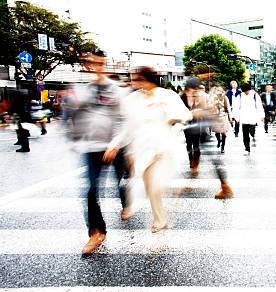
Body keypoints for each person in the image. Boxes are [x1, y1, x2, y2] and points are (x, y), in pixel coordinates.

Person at [106, 66, 192, 234]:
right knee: (150, 188)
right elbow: (125, 125)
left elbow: (185, 115)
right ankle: (160, 220)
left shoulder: (167, 95)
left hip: (163, 147)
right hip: (142, 150)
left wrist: (172, 118)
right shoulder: (132, 100)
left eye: (137, 79)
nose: (134, 82)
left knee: (157, 185)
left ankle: (166, 199)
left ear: (148, 80)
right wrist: (115, 144)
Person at [67, 50, 132, 255]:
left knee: (121, 179)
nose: (94, 67)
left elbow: (123, 120)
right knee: (92, 190)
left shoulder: (115, 90)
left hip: (114, 147)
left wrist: (114, 144)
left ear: (104, 64)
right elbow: (75, 118)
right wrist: (76, 138)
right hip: (92, 147)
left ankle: (126, 204)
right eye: (90, 64)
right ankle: (97, 232)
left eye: (99, 63)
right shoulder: (83, 91)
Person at [180, 77, 211, 177]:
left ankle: (195, 165)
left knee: (196, 145)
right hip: (186, 124)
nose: (193, 91)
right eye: (191, 89)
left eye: (195, 89)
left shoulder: (200, 97)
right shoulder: (182, 97)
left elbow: (205, 109)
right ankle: (191, 161)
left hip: (197, 123)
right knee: (189, 144)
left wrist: (199, 111)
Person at [234, 83, 264, 155]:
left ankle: (252, 133)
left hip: (253, 116)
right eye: (244, 91)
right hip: (244, 117)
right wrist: (236, 117)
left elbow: (259, 106)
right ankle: (247, 149)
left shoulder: (255, 95)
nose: (246, 92)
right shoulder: (240, 96)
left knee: (252, 130)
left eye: (247, 91)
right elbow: (236, 107)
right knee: (245, 134)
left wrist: (261, 115)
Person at [211, 86, 232, 154]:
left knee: (224, 133)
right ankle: (219, 141)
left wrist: (230, 117)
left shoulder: (225, 98)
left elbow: (228, 107)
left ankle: (223, 146)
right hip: (215, 117)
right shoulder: (213, 98)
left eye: (220, 90)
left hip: (223, 116)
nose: (219, 92)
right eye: (218, 90)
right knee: (217, 132)